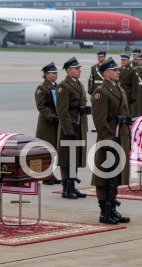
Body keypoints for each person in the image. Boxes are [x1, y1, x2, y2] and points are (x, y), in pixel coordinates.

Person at [91, 57, 131, 224]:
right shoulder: (101, 91)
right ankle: (104, 210)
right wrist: (108, 141)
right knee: (105, 175)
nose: (118, 72)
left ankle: (113, 208)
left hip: (120, 136)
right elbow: (100, 120)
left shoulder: (118, 89)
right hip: (109, 138)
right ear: (106, 73)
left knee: (115, 175)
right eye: (114, 70)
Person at [56, 57, 88, 199]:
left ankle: (72, 186)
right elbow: (62, 111)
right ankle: (66, 188)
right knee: (67, 158)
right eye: (76, 68)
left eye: (79, 68)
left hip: (79, 124)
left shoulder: (79, 84)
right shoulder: (64, 86)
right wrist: (69, 130)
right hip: (69, 127)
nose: (79, 70)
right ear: (69, 71)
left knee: (75, 157)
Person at [34, 62, 62, 185]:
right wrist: (53, 116)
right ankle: (45, 175)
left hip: (57, 122)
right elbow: (41, 106)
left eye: (56, 73)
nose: (56, 75)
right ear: (46, 74)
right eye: (53, 73)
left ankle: (50, 174)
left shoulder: (58, 87)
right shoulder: (42, 88)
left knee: (53, 149)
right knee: (46, 149)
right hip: (47, 123)